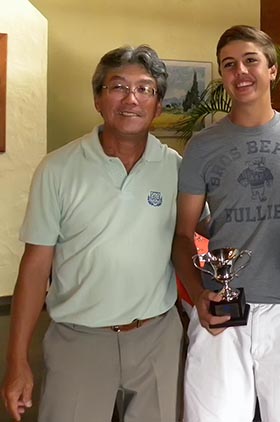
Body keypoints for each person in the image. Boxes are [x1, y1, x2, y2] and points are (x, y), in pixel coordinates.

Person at [0, 45, 183, 421]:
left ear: (159, 105)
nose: (131, 99)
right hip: (78, 339)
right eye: (118, 87)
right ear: (98, 99)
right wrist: (17, 360)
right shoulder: (57, 169)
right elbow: (35, 268)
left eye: (145, 89)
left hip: (157, 337)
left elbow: (198, 236)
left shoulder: (176, 168)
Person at [172, 25, 280, 422]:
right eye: (229, 64)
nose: (240, 71)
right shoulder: (204, 145)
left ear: (272, 69)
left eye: (251, 60)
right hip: (222, 306)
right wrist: (197, 295)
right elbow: (184, 234)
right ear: (223, 76)